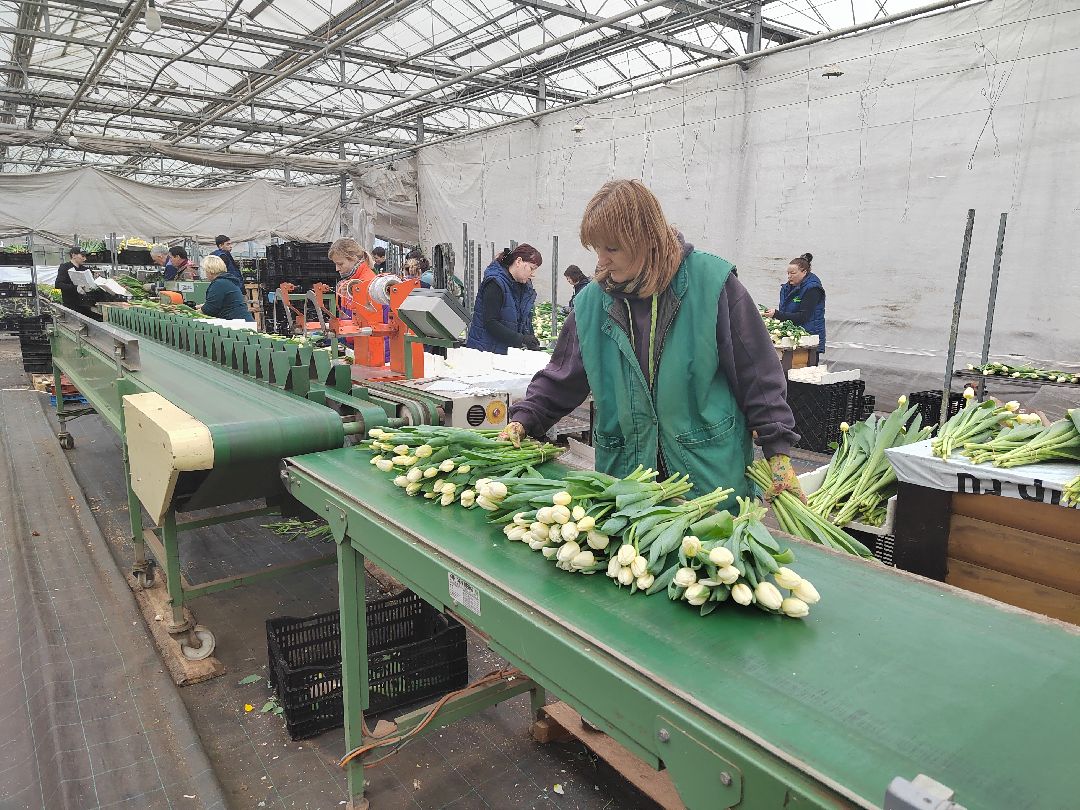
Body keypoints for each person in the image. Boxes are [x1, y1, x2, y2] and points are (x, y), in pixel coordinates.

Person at [502, 179, 803, 502]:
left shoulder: (712, 284)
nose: (601, 261)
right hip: (627, 482)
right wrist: (524, 419)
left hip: (707, 480)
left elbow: (757, 374)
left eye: (612, 249)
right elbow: (562, 378)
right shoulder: (591, 304)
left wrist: (778, 452)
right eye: (597, 249)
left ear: (646, 239)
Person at [464, 244, 542, 353]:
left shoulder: (524, 288)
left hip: (506, 352)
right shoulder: (495, 283)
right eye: (531, 268)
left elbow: (524, 321)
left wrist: (530, 340)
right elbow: (490, 322)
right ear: (519, 261)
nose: (532, 274)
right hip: (486, 352)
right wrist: (521, 339)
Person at [764, 253, 826, 355]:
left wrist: (777, 314)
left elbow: (803, 316)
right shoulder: (787, 288)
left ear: (804, 272)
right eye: (788, 273)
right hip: (791, 339)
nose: (789, 276)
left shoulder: (813, 289)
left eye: (792, 273)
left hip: (808, 339)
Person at [200, 255, 254, 321]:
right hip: (242, 321)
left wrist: (193, 312)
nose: (205, 274)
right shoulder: (227, 281)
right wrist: (196, 307)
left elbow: (209, 309)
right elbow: (214, 303)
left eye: (205, 271)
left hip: (236, 323)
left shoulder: (219, 284)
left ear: (210, 271)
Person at [54, 246, 98, 318]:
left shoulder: (85, 269)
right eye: (82, 256)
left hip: (86, 306)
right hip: (71, 306)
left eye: (85, 256)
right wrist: (75, 288)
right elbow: (58, 284)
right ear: (73, 255)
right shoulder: (64, 267)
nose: (85, 259)